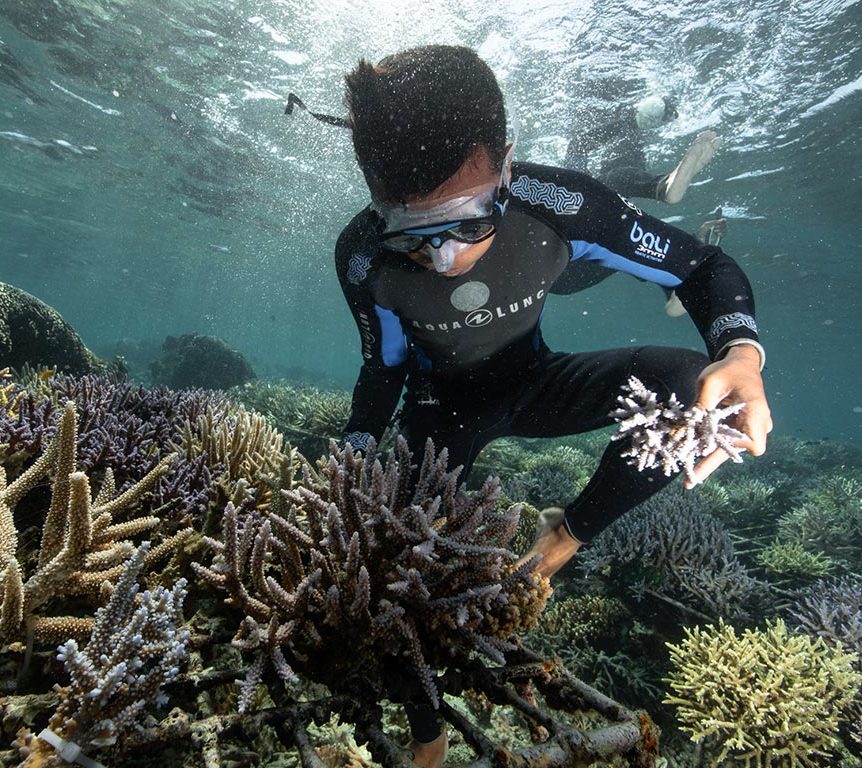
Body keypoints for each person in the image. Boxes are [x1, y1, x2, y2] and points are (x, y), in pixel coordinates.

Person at [327, 45, 771, 766]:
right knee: (388, 560)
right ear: (375, 195)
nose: (445, 261)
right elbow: (384, 367)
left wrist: (742, 355)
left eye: (469, 221)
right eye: (413, 234)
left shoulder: (561, 202)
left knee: (704, 396)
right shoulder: (359, 256)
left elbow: (703, 265)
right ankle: (428, 734)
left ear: (507, 165)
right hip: (439, 415)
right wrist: (355, 443)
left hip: (540, 385)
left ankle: (564, 537)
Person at [564, 92, 719, 204]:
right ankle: (662, 186)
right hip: (596, 197)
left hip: (591, 196)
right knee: (615, 177)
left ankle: (662, 186)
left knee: (586, 156)